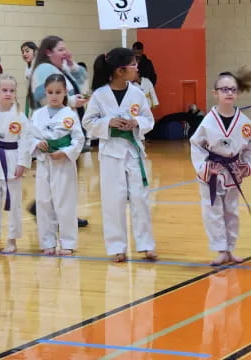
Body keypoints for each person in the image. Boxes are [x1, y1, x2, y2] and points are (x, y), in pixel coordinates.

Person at [83, 47, 157, 263]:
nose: (137, 68)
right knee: (113, 200)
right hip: (110, 153)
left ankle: (146, 245)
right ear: (119, 71)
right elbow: (87, 123)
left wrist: (136, 123)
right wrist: (108, 122)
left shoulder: (137, 93)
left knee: (140, 198)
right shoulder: (99, 95)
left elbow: (149, 120)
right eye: (133, 65)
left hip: (133, 152)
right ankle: (117, 247)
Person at [190, 66, 251, 266]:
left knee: (231, 210)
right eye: (224, 89)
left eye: (232, 89)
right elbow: (196, 145)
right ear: (215, 94)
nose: (229, 92)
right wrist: (205, 167)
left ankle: (230, 248)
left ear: (237, 93)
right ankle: (220, 249)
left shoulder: (246, 124)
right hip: (211, 171)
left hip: (232, 171)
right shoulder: (207, 122)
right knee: (212, 210)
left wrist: (245, 167)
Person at [29, 35, 89, 227]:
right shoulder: (45, 69)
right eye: (61, 49)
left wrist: (72, 65)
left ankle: (60, 213)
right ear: (49, 52)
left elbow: (83, 82)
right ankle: (53, 213)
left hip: (68, 126)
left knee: (70, 172)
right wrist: (71, 101)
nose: (66, 52)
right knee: (60, 175)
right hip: (54, 131)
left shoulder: (59, 69)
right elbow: (42, 96)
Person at [29, 74, 84, 255]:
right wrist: (36, 144)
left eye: (58, 92)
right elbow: (28, 136)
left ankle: (68, 243)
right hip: (44, 162)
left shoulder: (70, 114)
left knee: (65, 202)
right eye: (50, 92)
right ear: (45, 92)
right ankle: (48, 242)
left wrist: (66, 152)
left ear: (65, 93)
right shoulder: (37, 115)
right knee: (44, 202)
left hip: (63, 163)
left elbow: (78, 139)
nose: (54, 96)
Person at [0, 74, 31, 253]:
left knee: (13, 202)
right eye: (4, 90)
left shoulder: (20, 117)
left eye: (12, 91)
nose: (8, 93)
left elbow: (25, 141)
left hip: (11, 160)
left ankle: (12, 238)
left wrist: (22, 162)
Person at [20, 41, 38, 117]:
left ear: (35, 52)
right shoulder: (28, 67)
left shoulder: (39, 65)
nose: (24, 54)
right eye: (23, 52)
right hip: (31, 97)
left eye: (27, 51)